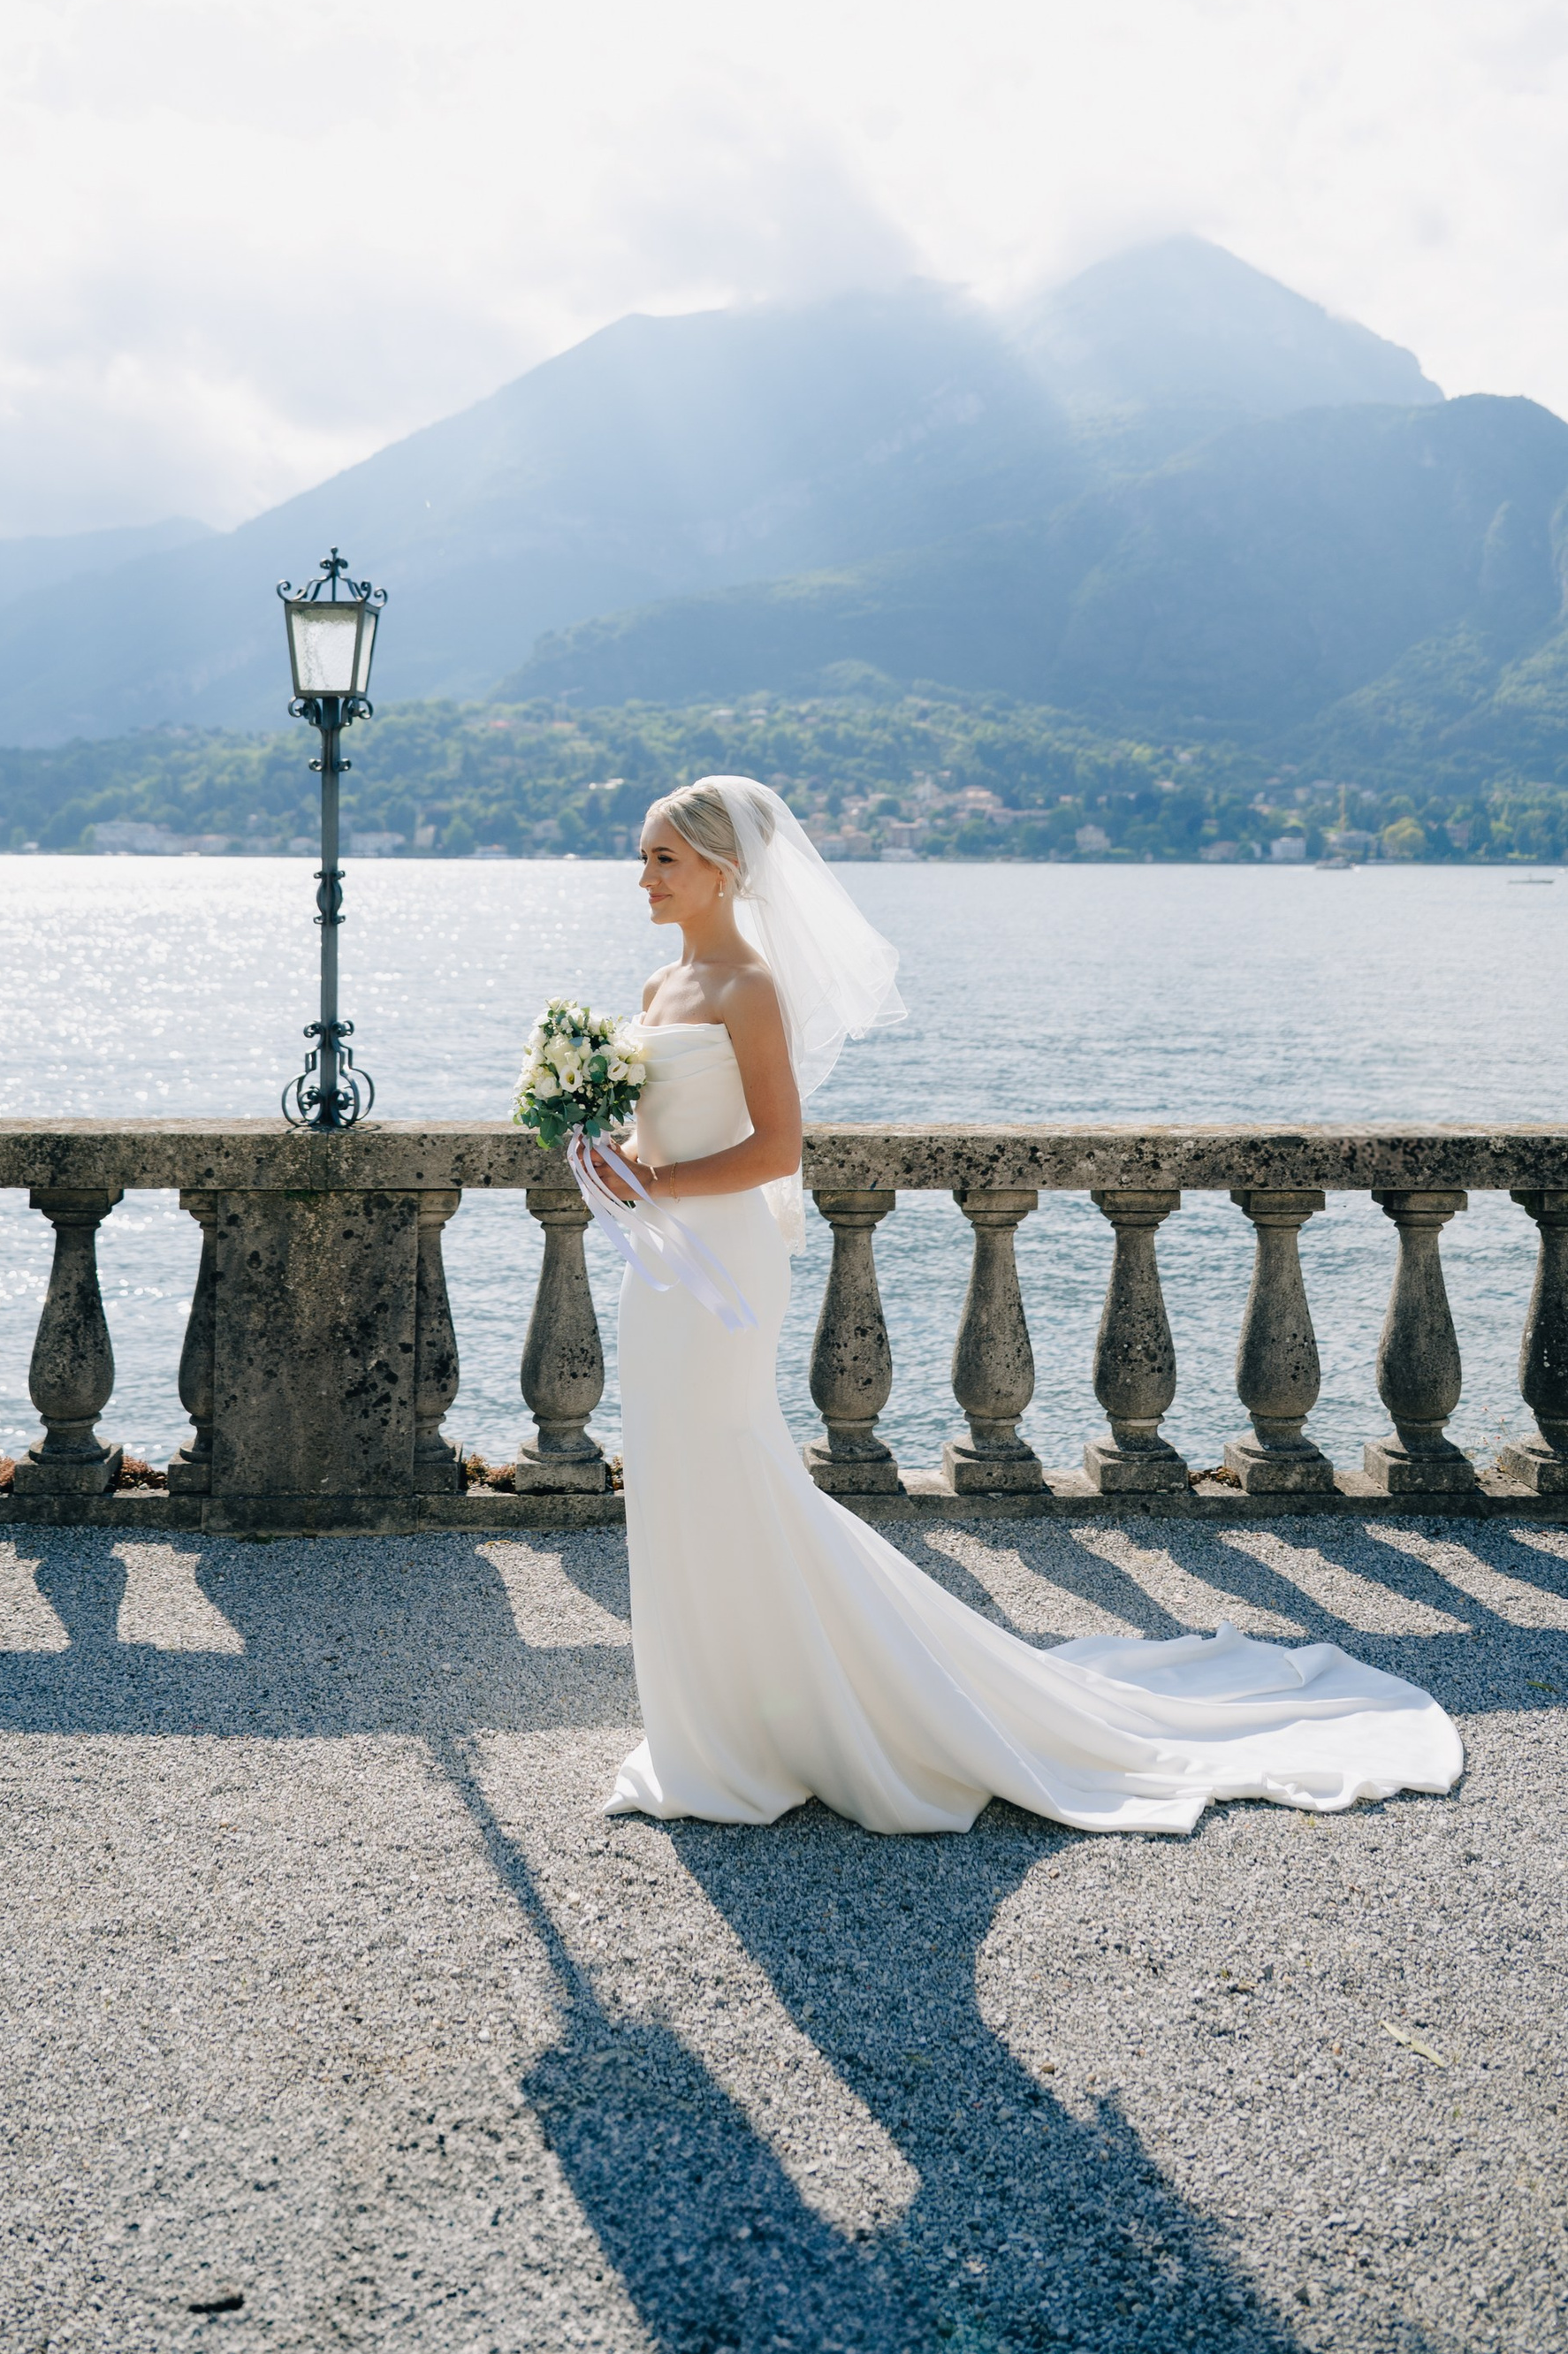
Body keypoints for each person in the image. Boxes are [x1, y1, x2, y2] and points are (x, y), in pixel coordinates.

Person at [600, 774, 1462, 1832]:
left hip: (721, 1264)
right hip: (659, 1264)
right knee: (671, 1457)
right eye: (642, 855)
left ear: (724, 870)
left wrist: (666, 1184)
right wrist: (612, 1159)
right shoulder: (654, 990)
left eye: (662, 858)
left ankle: (790, 1716)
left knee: (731, 1454)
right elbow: (663, 1135)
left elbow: (777, 1146)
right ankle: (708, 1717)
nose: (642, 875)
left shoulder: (747, 988)